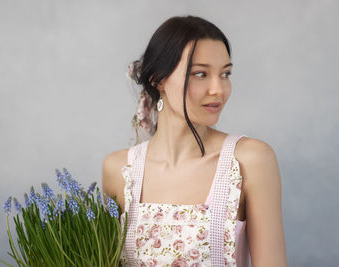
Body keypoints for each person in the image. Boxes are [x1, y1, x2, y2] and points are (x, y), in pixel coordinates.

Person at [102, 15, 288, 267]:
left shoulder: (249, 161)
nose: (218, 89)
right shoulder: (119, 170)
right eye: (201, 74)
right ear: (159, 79)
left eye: (225, 74)